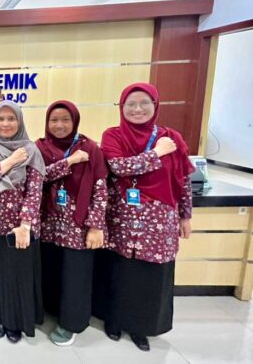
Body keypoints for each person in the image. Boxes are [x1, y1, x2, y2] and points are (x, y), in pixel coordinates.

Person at [94, 83, 194, 352]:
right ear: (122, 107)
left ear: (155, 105)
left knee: (150, 276)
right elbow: (119, 167)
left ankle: (141, 327)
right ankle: (113, 320)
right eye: (131, 104)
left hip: (159, 221)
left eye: (144, 103)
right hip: (122, 218)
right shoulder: (113, 135)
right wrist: (156, 153)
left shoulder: (171, 137)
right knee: (119, 271)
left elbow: (183, 180)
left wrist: (185, 216)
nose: (137, 109)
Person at [0, 100, 46, 343]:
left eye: (11, 118)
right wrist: (11, 161)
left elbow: (35, 190)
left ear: (20, 121)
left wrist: (26, 225)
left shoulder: (31, 150)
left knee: (16, 274)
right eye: (0, 119)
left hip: (18, 226)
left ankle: (14, 319)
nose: (5, 123)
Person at [36, 101, 108, 346]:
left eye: (65, 119)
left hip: (78, 224)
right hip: (49, 222)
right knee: (51, 269)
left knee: (75, 275)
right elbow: (37, 178)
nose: (59, 125)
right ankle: (53, 311)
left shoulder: (90, 148)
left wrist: (96, 226)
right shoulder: (40, 147)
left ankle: (71, 323)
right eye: (54, 120)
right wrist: (69, 162)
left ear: (75, 121)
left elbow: (100, 188)